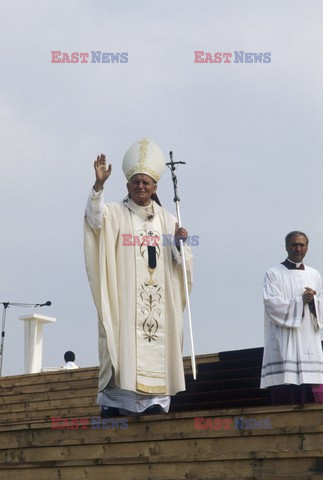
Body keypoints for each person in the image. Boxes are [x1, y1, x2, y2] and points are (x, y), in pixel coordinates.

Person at [84, 138, 193, 416]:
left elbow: (181, 263)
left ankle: (154, 403)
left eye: (146, 182)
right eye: (136, 182)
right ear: (127, 186)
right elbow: (94, 221)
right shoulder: (115, 213)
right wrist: (98, 187)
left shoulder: (168, 220)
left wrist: (181, 244)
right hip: (126, 303)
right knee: (122, 350)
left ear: (155, 187)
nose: (141, 187)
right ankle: (119, 402)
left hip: (159, 307)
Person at [261, 231, 323, 404]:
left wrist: (312, 302)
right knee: (286, 387)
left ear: (307, 248)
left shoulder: (314, 274)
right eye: (294, 244)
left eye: (302, 245)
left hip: (308, 336)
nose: (298, 249)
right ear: (286, 247)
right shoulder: (273, 273)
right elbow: (271, 304)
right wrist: (299, 301)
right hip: (284, 338)